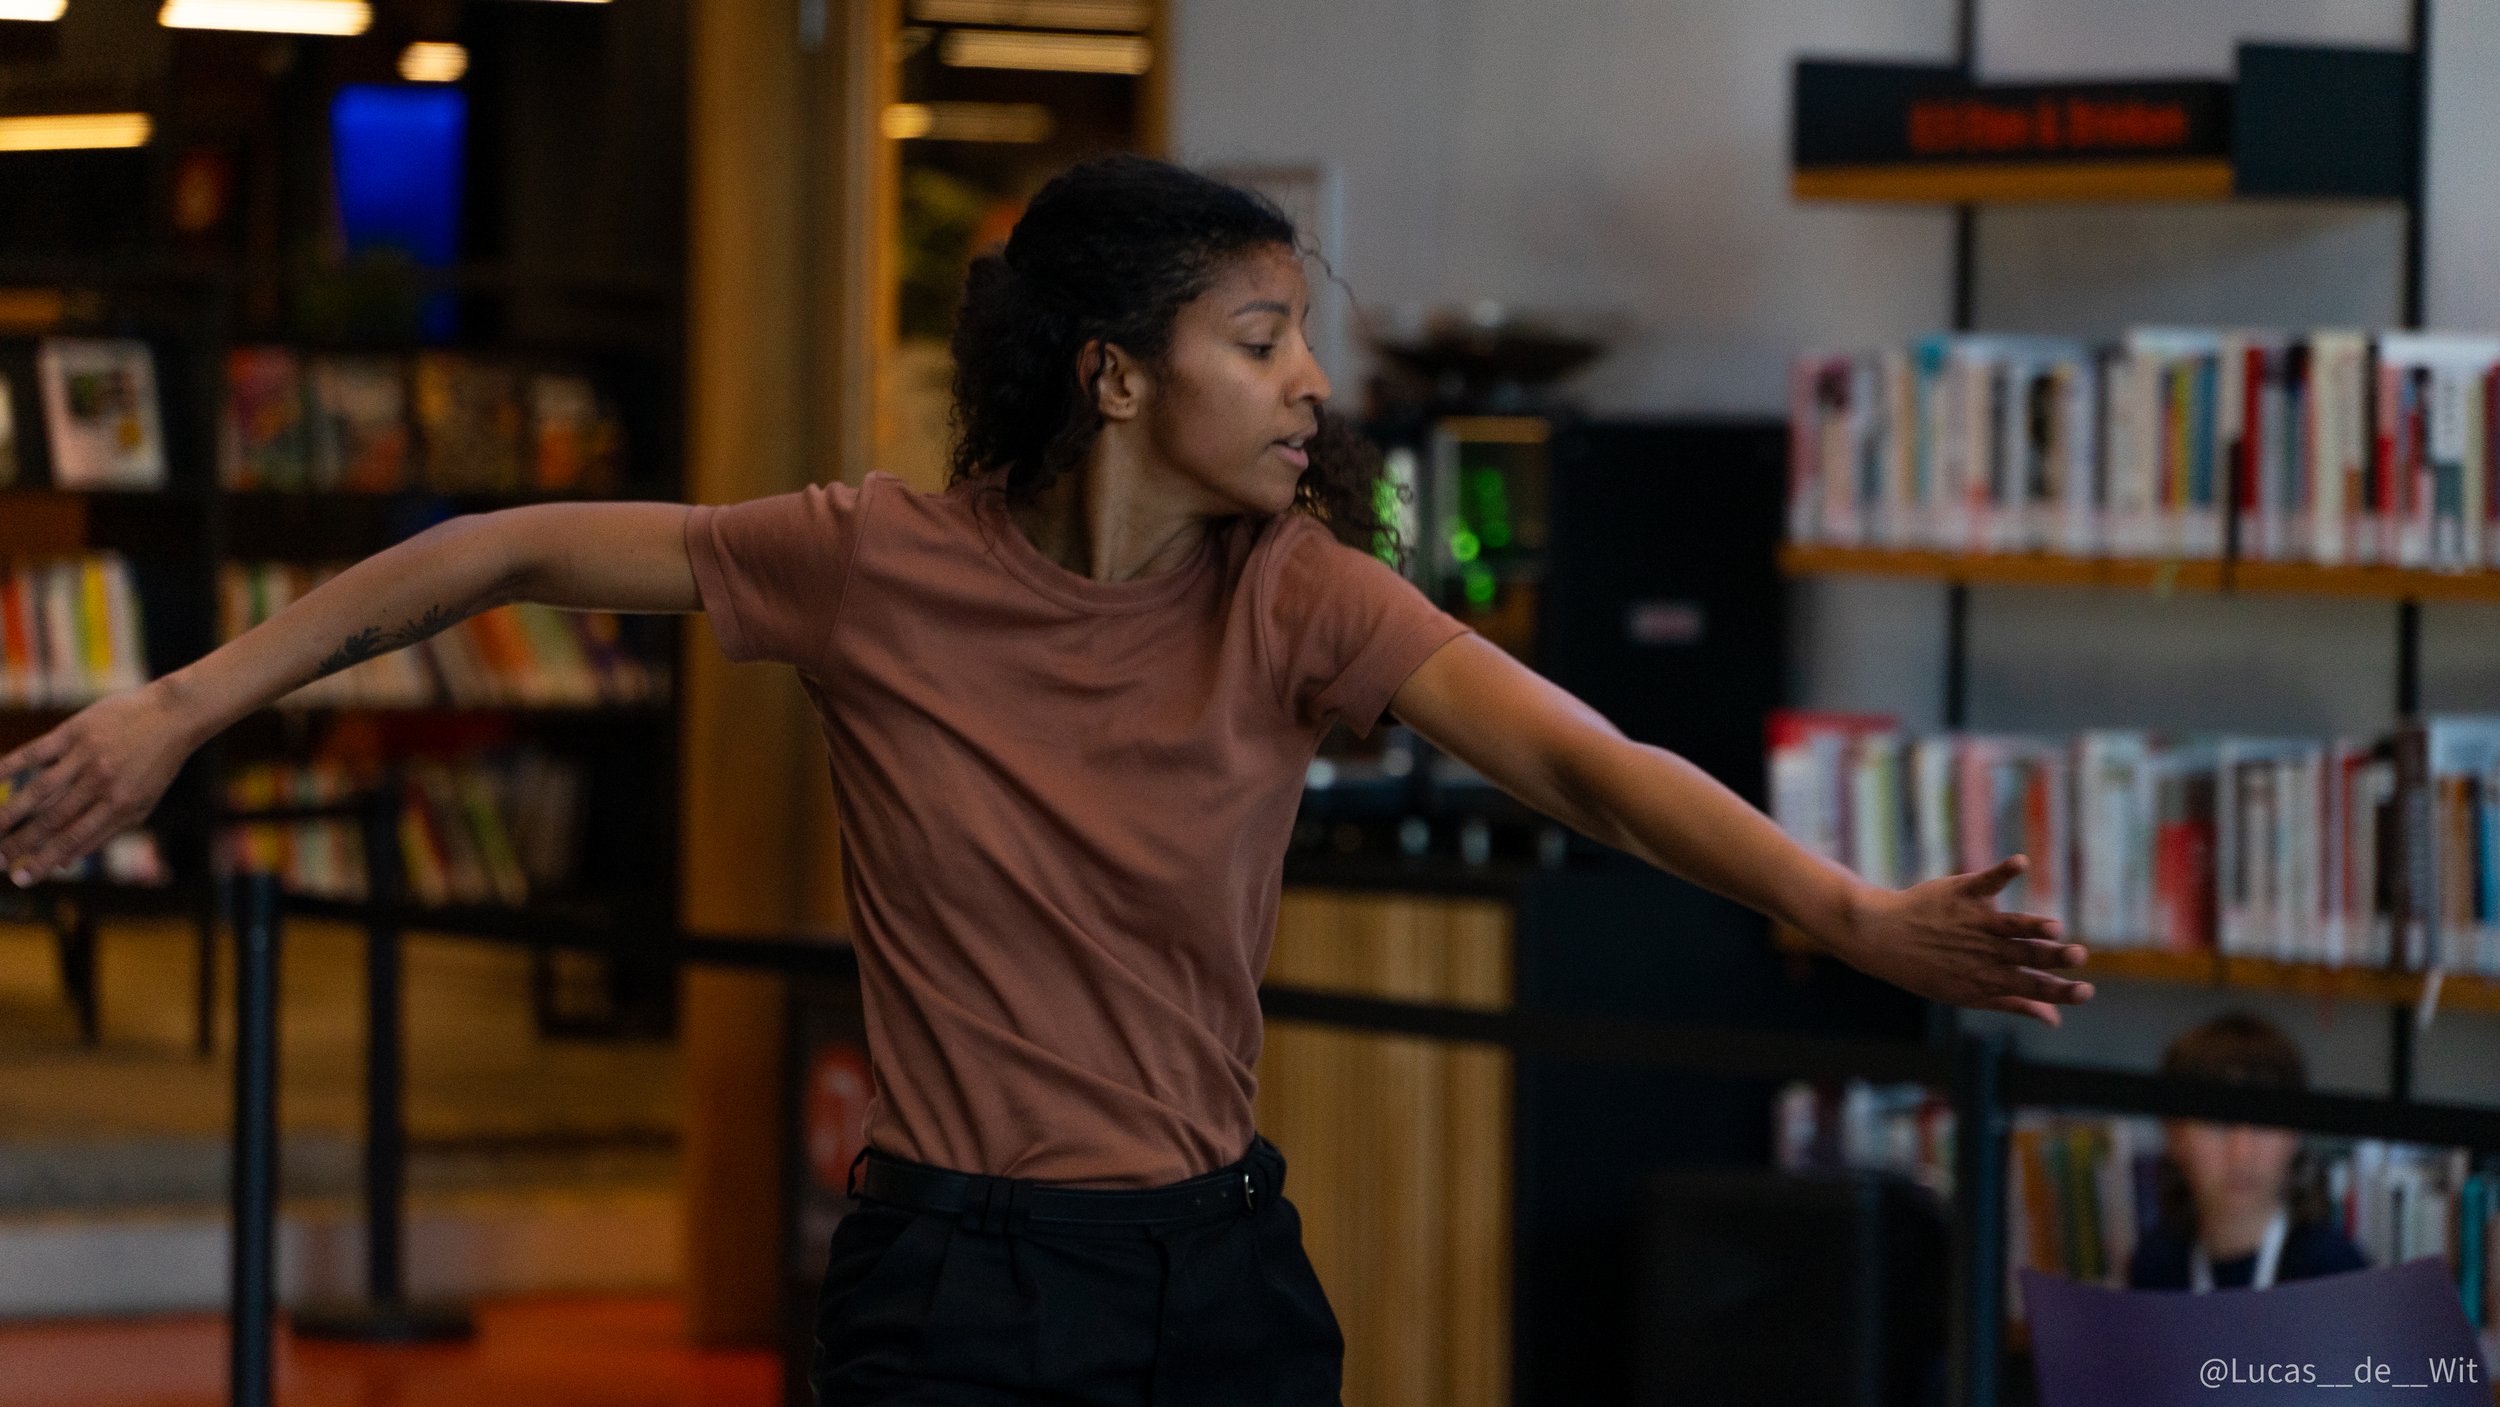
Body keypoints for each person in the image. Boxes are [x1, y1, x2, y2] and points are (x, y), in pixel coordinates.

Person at [0, 154, 2093, 1405]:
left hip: (1223, 1270)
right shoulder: (870, 562)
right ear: (1112, 374)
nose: (1307, 383)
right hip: (953, 1288)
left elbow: (1592, 760)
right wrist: (182, 702)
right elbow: (502, 551)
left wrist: (1846, 913)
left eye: (1302, 340)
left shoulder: (1300, 598)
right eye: (1258, 337)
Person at [2127, 1011, 2367, 1292]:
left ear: (2294, 1134)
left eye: (2263, 1121)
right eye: (2217, 1122)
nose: (2241, 1153)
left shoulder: (2335, 1272)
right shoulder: (2154, 1267)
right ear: (2174, 1134)